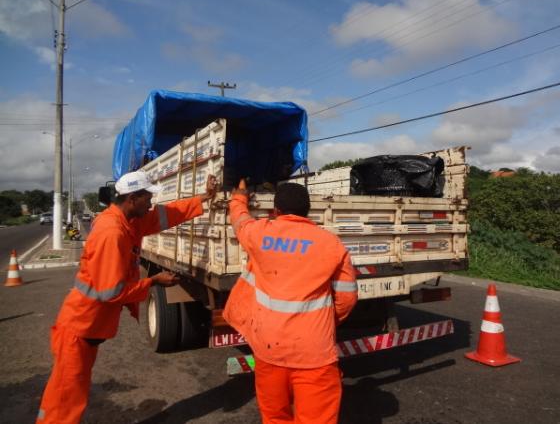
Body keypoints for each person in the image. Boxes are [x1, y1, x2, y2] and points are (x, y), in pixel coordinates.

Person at [36, 170, 217, 424]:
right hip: (79, 327)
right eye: (147, 198)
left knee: (73, 394)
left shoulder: (127, 221)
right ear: (132, 198)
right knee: (64, 400)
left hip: (87, 327)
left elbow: (166, 215)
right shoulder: (113, 233)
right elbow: (112, 292)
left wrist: (203, 199)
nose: (151, 203)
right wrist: (153, 281)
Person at [223, 179, 358, 424]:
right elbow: (347, 298)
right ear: (307, 211)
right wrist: (325, 323)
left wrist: (240, 196)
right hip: (314, 353)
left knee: (275, 417)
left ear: (276, 211)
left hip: (268, 350)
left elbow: (240, 220)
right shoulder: (332, 244)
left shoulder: (260, 234)